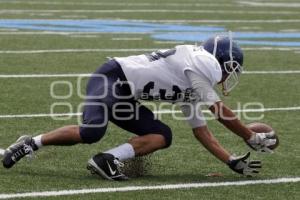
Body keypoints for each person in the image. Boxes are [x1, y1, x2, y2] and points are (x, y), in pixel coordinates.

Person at [2, 35, 275, 181]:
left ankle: (107, 159)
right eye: (231, 69)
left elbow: (203, 133)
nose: (229, 76)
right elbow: (219, 111)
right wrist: (249, 136)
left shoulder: (195, 82)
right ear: (222, 62)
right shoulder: (202, 62)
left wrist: (231, 161)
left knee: (162, 135)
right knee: (92, 131)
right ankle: (29, 143)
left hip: (125, 95)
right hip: (111, 78)